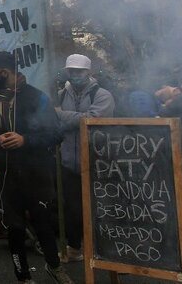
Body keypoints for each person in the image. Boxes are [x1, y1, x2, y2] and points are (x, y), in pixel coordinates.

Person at [0, 51, 72, 284]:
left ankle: (55, 266)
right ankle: (23, 277)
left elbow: (55, 133)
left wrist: (25, 140)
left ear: (5, 72)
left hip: (37, 172)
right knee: (15, 228)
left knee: (43, 223)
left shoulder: (38, 98)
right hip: (7, 175)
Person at [55, 54, 114, 262]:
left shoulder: (103, 95)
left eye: (79, 71)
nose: (75, 74)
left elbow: (92, 119)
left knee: (99, 207)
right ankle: (74, 247)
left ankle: (104, 249)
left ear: (88, 72)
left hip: (97, 162)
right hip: (68, 162)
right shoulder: (62, 95)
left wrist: (63, 115)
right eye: (71, 71)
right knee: (71, 207)